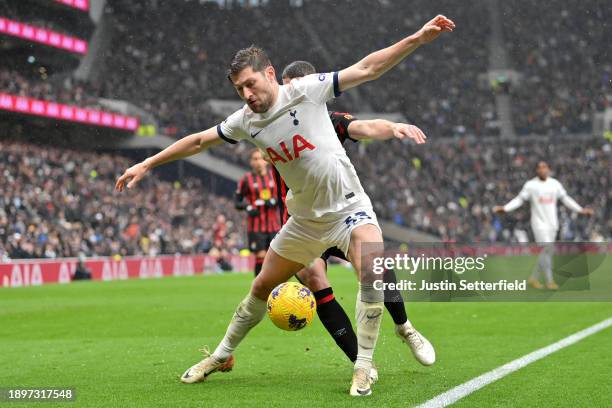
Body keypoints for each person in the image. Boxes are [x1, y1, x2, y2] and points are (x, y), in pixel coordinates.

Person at [115, 14, 454, 396]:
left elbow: (368, 68)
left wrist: (417, 39)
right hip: (305, 222)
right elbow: (197, 142)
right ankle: (222, 355)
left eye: (251, 84)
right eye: (240, 88)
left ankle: (365, 366)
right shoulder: (246, 120)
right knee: (260, 286)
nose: (246, 94)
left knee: (372, 275)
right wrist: (147, 162)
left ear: (270, 74)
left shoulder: (307, 90)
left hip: (348, 209)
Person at [276, 60, 435, 372]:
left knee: (374, 264)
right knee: (315, 277)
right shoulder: (271, 124)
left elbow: (361, 127)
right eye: (290, 88)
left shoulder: (331, 121)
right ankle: (362, 364)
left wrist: (390, 127)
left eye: (304, 87)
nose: (296, 94)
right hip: (305, 223)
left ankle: (405, 327)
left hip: (340, 214)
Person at [493, 161, 593, 290]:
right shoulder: (531, 185)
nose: (542, 170)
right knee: (546, 249)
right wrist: (505, 208)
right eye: (539, 168)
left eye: (544, 167)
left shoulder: (555, 184)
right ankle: (550, 281)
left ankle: (533, 278)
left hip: (553, 224)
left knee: (547, 252)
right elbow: (519, 199)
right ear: (536, 170)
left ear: (548, 169)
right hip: (539, 224)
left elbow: (566, 199)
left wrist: (580, 210)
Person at [234, 149, 281, 276]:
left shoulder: (274, 176)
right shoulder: (246, 180)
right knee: (261, 256)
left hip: (274, 226)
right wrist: (248, 207)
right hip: (256, 227)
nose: (258, 162)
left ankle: (277, 289)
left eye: (260, 158)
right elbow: (237, 202)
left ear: (265, 161)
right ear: (251, 162)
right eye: (255, 159)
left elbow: (283, 195)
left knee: (277, 258)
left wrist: (274, 201)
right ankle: (259, 289)